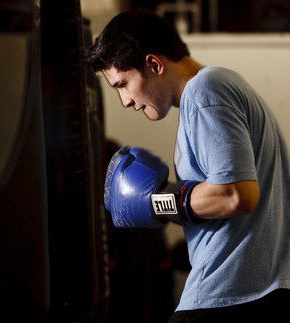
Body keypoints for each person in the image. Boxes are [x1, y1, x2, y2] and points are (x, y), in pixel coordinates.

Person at [85, 10, 290, 322]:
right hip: (257, 291)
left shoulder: (205, 90)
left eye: (122, 84)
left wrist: (156, 203)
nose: (124, 100)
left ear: (153, 64)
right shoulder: (220, 88)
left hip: (229, 294)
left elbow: (236, 195)